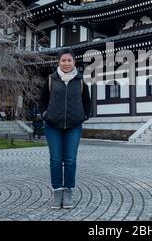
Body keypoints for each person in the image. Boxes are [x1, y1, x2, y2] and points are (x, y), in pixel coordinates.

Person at [39, 48, 91, 210]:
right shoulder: (50, 80)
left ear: (74, 62)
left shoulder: (80, 80)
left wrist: (84, 116)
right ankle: (57, 191)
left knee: (70, 160)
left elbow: (87, 101)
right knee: (55, 160)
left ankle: (68, 192)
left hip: (74, 126)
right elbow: (42, 100)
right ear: (58, 62)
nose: (66, 63)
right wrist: (45, 114)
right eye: (63, 60)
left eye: (69, 60)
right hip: (53, 125)